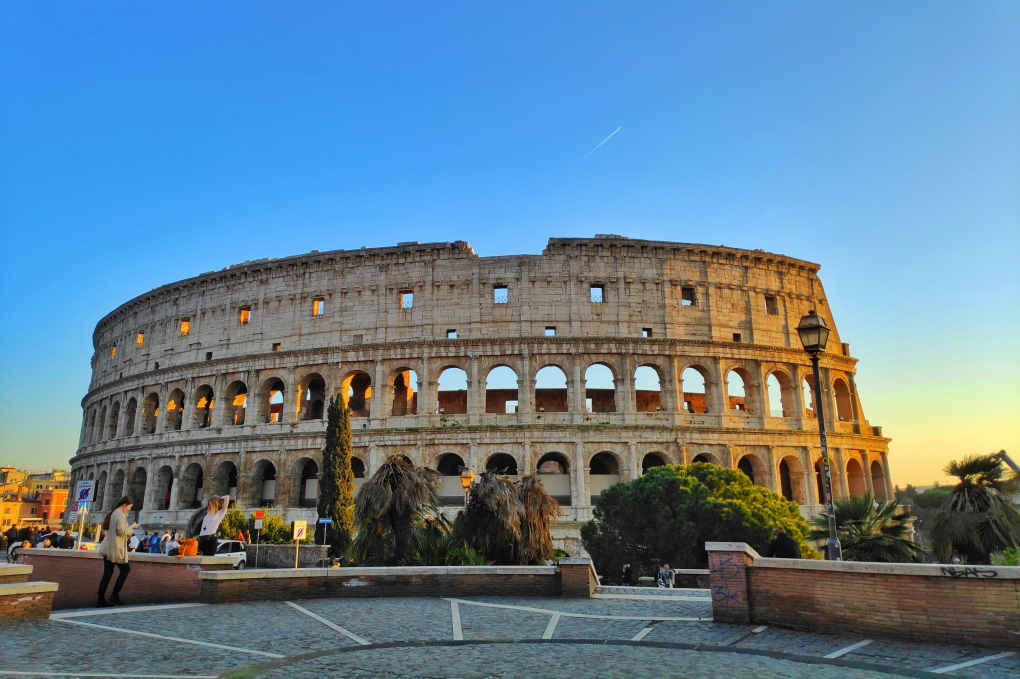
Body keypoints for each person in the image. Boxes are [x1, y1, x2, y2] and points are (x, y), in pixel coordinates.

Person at [96, 496, 138, 607]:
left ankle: (101, 598)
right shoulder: (120, 515)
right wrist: (132, 527)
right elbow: (121, 532)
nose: (129, 509)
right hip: (115, 549)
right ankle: (114, 596)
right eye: (129, 507)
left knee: (108, 574)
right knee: (125, 570)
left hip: (108, 547)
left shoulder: (114, 513)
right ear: (124, 505)